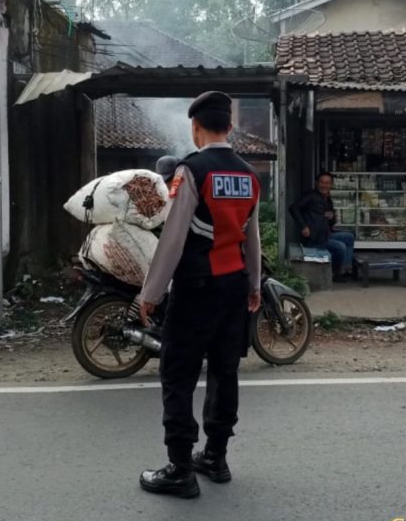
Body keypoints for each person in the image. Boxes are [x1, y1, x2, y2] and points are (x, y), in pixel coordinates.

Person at [137, 91, 261, 498]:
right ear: (229, 126)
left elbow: (173, 239)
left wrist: (150, 293)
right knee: (225, 373)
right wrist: (254, 285)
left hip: (196, 288)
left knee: (178, 374)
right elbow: (251, 239)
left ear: (196, 127)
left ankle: (179, 468)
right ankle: (216, 457)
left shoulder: (192, 171)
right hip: (234, 288)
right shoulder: (248, 174)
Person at [289, 171, 356, 282]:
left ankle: (345, 269)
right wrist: (303, 226)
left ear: (331, 185)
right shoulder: (310, 196)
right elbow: (293, 208)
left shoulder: (327, 199)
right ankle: (335, 273)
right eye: (322, 182)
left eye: (327, 183)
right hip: (314, 238)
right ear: (317, 183)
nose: (324, 185)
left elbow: (331, 222)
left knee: (349, 237)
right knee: (340, 247)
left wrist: (332, 217)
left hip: (325, 234)